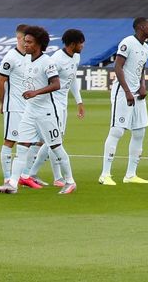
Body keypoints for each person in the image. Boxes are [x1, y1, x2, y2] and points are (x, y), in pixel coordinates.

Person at [0, 26, 76, 194]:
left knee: (56, 146)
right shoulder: (25, 60)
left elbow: (56, 84)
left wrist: (35, 92)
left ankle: (69, 181)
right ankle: (12, 183)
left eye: (29, 42)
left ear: (39, 44)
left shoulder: (47, 62)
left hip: (46, 112)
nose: (25, 44)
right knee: (22, 147)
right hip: (30, 111)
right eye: (24, 41)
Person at [99, 17, 148, 185]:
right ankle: (105, 174)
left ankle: (130, 174)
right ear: (141, 27)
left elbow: (141, 68)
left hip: (137, 94)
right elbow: (117, 66)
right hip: (123, 93)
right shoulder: (128, 42)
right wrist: (126, 91)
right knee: (117, 131)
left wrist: (142, 85)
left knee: (139, 132)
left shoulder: (146, 47)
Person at [46, 29, 85, 187]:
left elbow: (72, 78)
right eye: (81, 43)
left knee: (53, 139)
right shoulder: (55, 59)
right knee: (55, 139)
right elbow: (46, 82)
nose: (83, 46)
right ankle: (57, 177)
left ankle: (29, 173)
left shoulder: (76, 56)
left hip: (63, 103)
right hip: (52, 102)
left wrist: (79, 101)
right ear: (72, 44)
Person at [0, 25, 32, 186]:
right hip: (14, 107)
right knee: (10, 141)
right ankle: (7, 177)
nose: (27, 43)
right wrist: (2, 103)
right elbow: (0, 81)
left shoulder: (31, 56)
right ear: (18, 38)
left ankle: (23, 176)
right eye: (25, 39)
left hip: (29, 107)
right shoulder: (10, 57)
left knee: (29, 142)